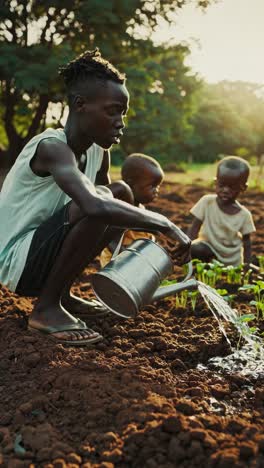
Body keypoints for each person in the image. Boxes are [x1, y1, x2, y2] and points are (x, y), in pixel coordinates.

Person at [0, 49, 191, 346]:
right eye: (112, 110)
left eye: (123, 113)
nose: (120, 122)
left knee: (121, 194)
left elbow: (112, 207)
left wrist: (123, 253)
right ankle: (46, 310)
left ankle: (60, 295)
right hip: (17, 265)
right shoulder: (52, 148)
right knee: (100, 200)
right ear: (80, 105)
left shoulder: (97, 151)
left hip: (43, 252)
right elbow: (93, 205)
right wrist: (163, 224)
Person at [188, 156, 256, 267]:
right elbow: (194, 227)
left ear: (243, 188)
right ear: (215, 182)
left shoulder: (244, 215)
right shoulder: (207, 202)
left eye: (232, 187)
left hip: (231, 261)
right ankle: (206, 267)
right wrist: (186, 248)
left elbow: (247, 242)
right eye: (221, 185)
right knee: (195, 248)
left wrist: (247, 264)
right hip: (209, 252)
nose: (225, 190)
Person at [100, 153, 164, 267]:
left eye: (158, 186)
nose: (156, 190)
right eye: (152, 186)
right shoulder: (120, 209)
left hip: (137, 261)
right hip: (117, 266)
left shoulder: (140, 208)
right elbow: (111, 240)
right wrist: (127, 256)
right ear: (131, 184)